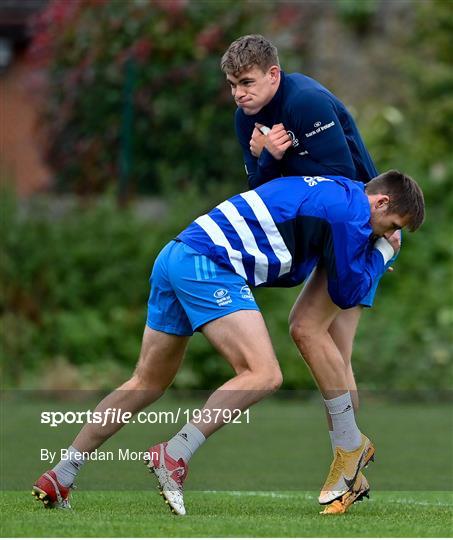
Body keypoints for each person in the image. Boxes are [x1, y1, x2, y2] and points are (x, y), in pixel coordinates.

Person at [32, 170, 425, 517]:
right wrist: (383, 253)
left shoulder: (339, 191)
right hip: (209, 263)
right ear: (381, 201)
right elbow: (344, 290)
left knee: (146, 383)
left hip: (176, 253)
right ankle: (175, 453)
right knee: (264, 374)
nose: (384, 233)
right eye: (390, 224)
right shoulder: (352, 211)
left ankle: (60, 475)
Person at [220, 34, 395, 513]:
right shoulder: (246, 119)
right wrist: (264, 159)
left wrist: (280, 156)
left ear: (274, 75)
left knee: (320, 339)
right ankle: (351, 464)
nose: (239, 93)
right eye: (233, 84)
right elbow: (262, 194)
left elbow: (342, 186)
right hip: (322, 232)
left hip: (359, 229)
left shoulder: (308, 102)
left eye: (248, 82)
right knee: (330, 350)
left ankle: (349, 465)